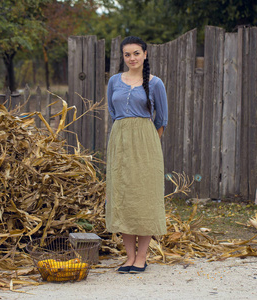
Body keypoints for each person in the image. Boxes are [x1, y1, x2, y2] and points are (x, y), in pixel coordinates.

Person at [105, 36, 168, 274]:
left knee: (144, 198)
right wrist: (125, 136)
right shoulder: (114, 81)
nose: (132, 58)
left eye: (136, 53)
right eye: (127, 55)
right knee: (122, 197)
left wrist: (149, 144)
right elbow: (113, 112)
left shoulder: (155, 83)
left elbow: (161, 119)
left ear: (145, 54)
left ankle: (142, 257)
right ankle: (129, 257)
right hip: (119, 141)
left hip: (146, 144)